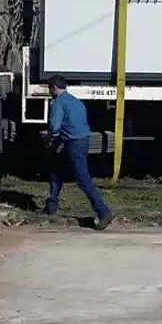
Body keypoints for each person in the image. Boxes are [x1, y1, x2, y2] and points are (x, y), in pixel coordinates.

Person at [44, 75, 114, 230]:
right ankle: (52, 207)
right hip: (82, 141)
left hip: (73, 143)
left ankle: (103, 211)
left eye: (49, 89)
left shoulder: (59, 103)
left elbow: (55, 127)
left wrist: (48, 139)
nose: (49, 93)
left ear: (54, 88)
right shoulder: (76, 101)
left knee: (83, 179)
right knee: (56, 170)